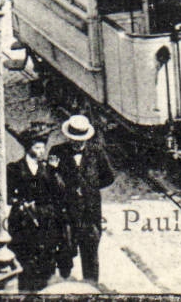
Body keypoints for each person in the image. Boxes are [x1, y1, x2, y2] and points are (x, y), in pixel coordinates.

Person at [51, 114, 114, 284]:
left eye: (80, 139)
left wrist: (89, 189)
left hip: (90, 214)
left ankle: (91, 288)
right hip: (66, 214)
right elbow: (50, 178)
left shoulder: (96, 152)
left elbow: (109, 177)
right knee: (65, 254)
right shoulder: (57, 152)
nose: (76, 143)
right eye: (73, 139)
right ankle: (64, 286)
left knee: (90, 255)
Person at [7, 127, 63, 292]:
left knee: (46, 262)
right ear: (28, 148)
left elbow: (59, 192)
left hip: (45, 219)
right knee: (24, 260)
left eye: (42, 148)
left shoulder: (48, 169)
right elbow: (9, 195)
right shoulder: (15, 168)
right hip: (23, 220)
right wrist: (20, 203)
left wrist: (54, 172)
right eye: (37, 147)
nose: (41, 151)